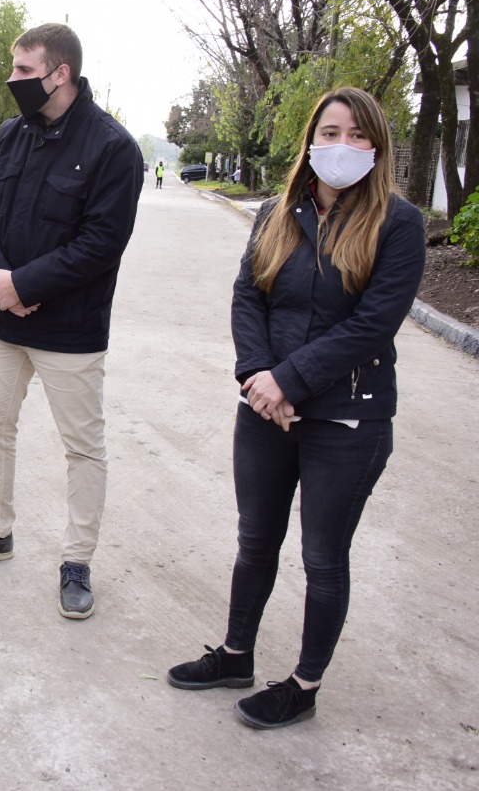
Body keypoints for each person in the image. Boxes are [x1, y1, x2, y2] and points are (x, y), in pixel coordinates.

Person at [167, 87, 426, 729]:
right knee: (255, 540)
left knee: (323, 558)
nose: (342, 146)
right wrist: (258, 377)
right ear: (311, 141)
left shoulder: (398, 224)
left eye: (358, 135)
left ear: (377, 147)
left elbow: (372, 324)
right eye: (331, 133)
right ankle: (235, 656)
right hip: (266, 411)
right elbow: (247, 296)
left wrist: (288, 382)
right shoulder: (276, 214)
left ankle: (304, 687)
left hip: (348, 420)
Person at [0, 23, 143, 622]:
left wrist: (26, 286)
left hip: (69, 331)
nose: (13, 80)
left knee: (83, 447)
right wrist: (2, 283)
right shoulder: (14, 136)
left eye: (24, 70)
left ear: (61, 73)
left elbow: (101, 243)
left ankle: (76, 561)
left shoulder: (113, 148)